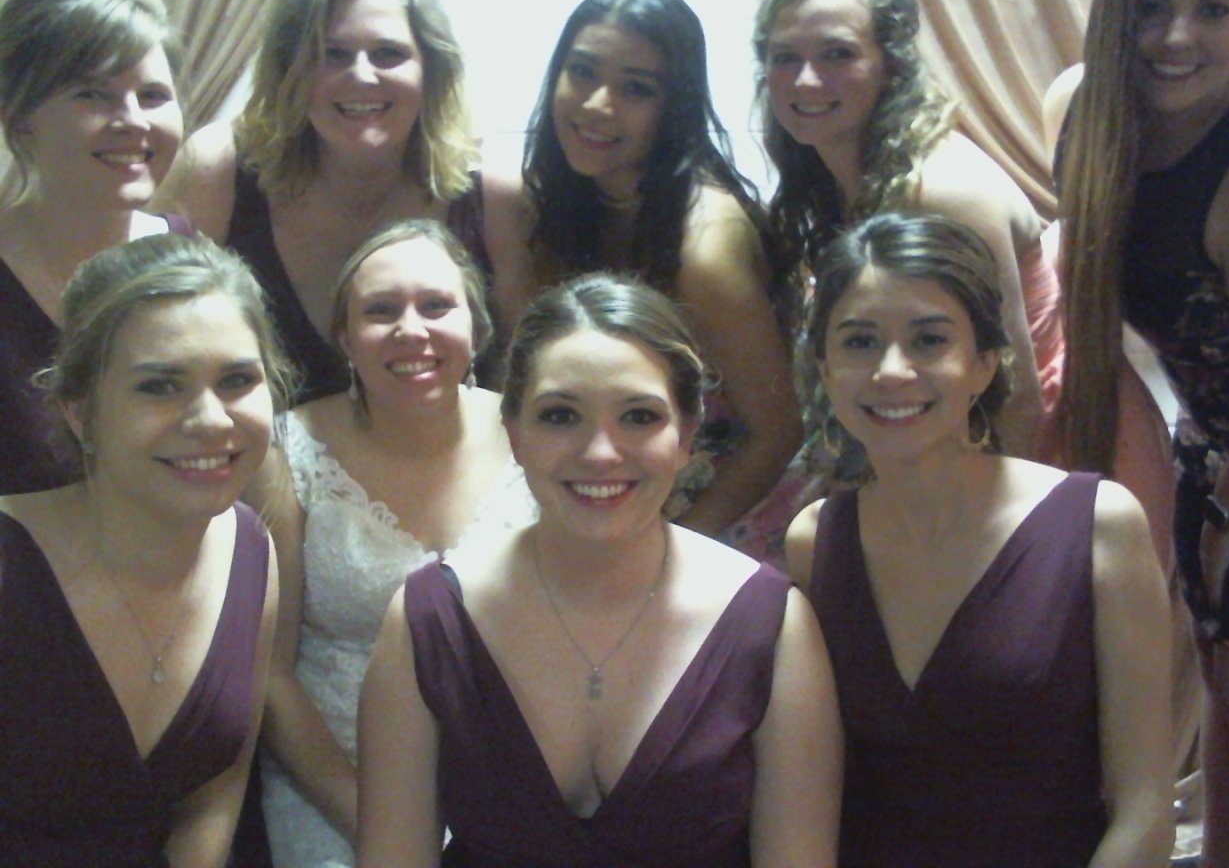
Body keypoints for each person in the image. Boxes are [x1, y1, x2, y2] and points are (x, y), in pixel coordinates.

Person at [358, 274, 841, 867]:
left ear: (686, 436)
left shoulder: (773, 625)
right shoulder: (427, 621)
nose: (601, 453)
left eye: (639, 416)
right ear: (514, 433)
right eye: (561, 416)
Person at [786, 212, 1173, 866]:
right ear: (825, 369)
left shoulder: (1098, 525)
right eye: (860, 342)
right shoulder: (815, 542)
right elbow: (811, 800)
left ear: (985, 363)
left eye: (929, 340)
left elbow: (1145, 812)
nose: (892, 371)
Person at [1055, 0, 1229, 863]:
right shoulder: (1097, 118)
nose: (1176, 36)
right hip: (1218, 458)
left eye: (1213, 9)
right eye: (1151, 7)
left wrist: (1227, 523)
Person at [483, 0, 804, 554]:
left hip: (732, 505)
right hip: (619, 482)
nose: (596, 105)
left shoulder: (702, 248)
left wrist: (664, 554)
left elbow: (777, 434)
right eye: (582, 72)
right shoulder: (569, 200)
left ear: (673, 106)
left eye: (635, 88)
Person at [0, 232, 292, 865]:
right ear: (80, 411)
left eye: (237, 380)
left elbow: (216, 790)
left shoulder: (251, 551)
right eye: (160, 386)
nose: (211, 419)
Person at [249, 219, 529, 867]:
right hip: (334, 784)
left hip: (516, 779)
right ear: (345, 338)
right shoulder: (285, 451)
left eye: (436, 306)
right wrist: (376, 825)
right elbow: (269, 673)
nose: (411, 330)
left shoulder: (535, 432)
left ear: (477, 328)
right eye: (381, 311)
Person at [753, 0, 1044, 459]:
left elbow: (1015, 399)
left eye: (837, 54)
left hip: (1031, 451)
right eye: (785, 57)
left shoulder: (939, 193)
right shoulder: (837, 173)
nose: (805, 80)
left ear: (892, 64)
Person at [155, 0, 483, 404]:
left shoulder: (493, 199)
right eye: (332, 55)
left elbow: (534, 379)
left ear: (431, 69)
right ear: (288, 70)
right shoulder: (217, 172)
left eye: (388, 54)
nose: (362, 76)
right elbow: (158, 343)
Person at [0, 0, 186, 494]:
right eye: (93, 95)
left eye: (152, 95)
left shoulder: (186, 257)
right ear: (20, 120)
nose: (133, 121)